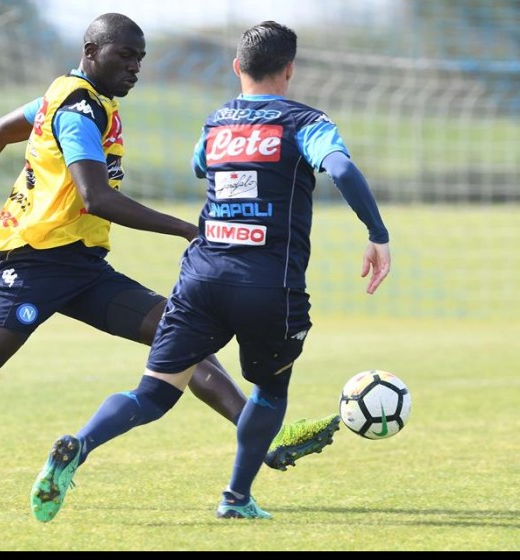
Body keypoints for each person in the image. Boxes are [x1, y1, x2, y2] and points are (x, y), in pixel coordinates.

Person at [0, 14, 339, 505]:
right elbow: (96, 197)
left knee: (181, 337)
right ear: (90, 50)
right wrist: (188, 229)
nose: (134, 68)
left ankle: (259, 434)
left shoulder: (70, 98)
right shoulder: (77, 109)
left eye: (140, 59)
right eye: (124, 56)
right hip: (34, 262)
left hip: (81, 266)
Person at [30, 20, 391, 523]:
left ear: (237, 66)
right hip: (269, 284)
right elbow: (343, 170)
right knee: (269, 389)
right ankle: (236, 497)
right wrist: (377, 234)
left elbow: (201, 165)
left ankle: (82, 442)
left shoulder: (217, 121)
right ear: (289, 69)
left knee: (152, 392)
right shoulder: (306, 121)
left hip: (201, 277)